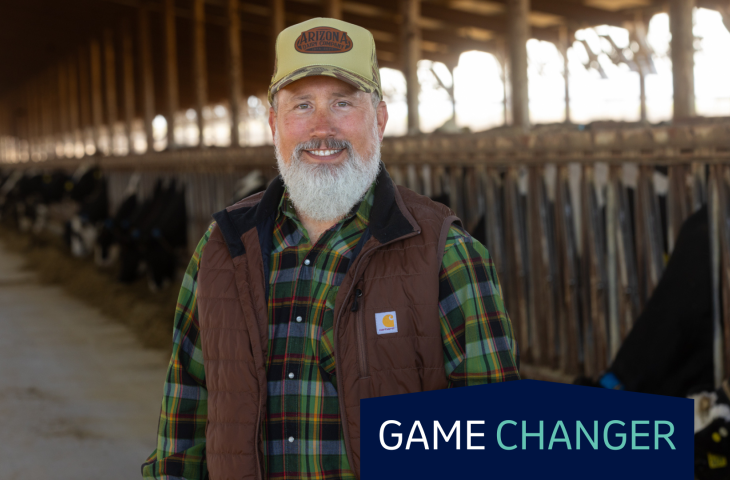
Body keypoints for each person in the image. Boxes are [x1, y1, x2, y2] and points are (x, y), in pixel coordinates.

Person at [141, 18, 519, 480]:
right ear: (274, 123)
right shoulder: (222, 249)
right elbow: (185, 412)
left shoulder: (446, 253)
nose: (322, 128)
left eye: (342, 103)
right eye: (302, 105)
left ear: (378, 119)